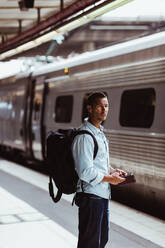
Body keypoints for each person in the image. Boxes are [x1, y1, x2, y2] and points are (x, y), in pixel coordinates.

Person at [72, 92, 127, 248]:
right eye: (99, 106)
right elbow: (85, 171)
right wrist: (111, 179)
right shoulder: (85, 136)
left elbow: (98, 162)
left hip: (102, 195)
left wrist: (112, 171)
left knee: (101, 241)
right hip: (91, 197)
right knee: (90, 243)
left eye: (106, 106)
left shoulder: (99, 133)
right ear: (89, 109)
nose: (104, 110)